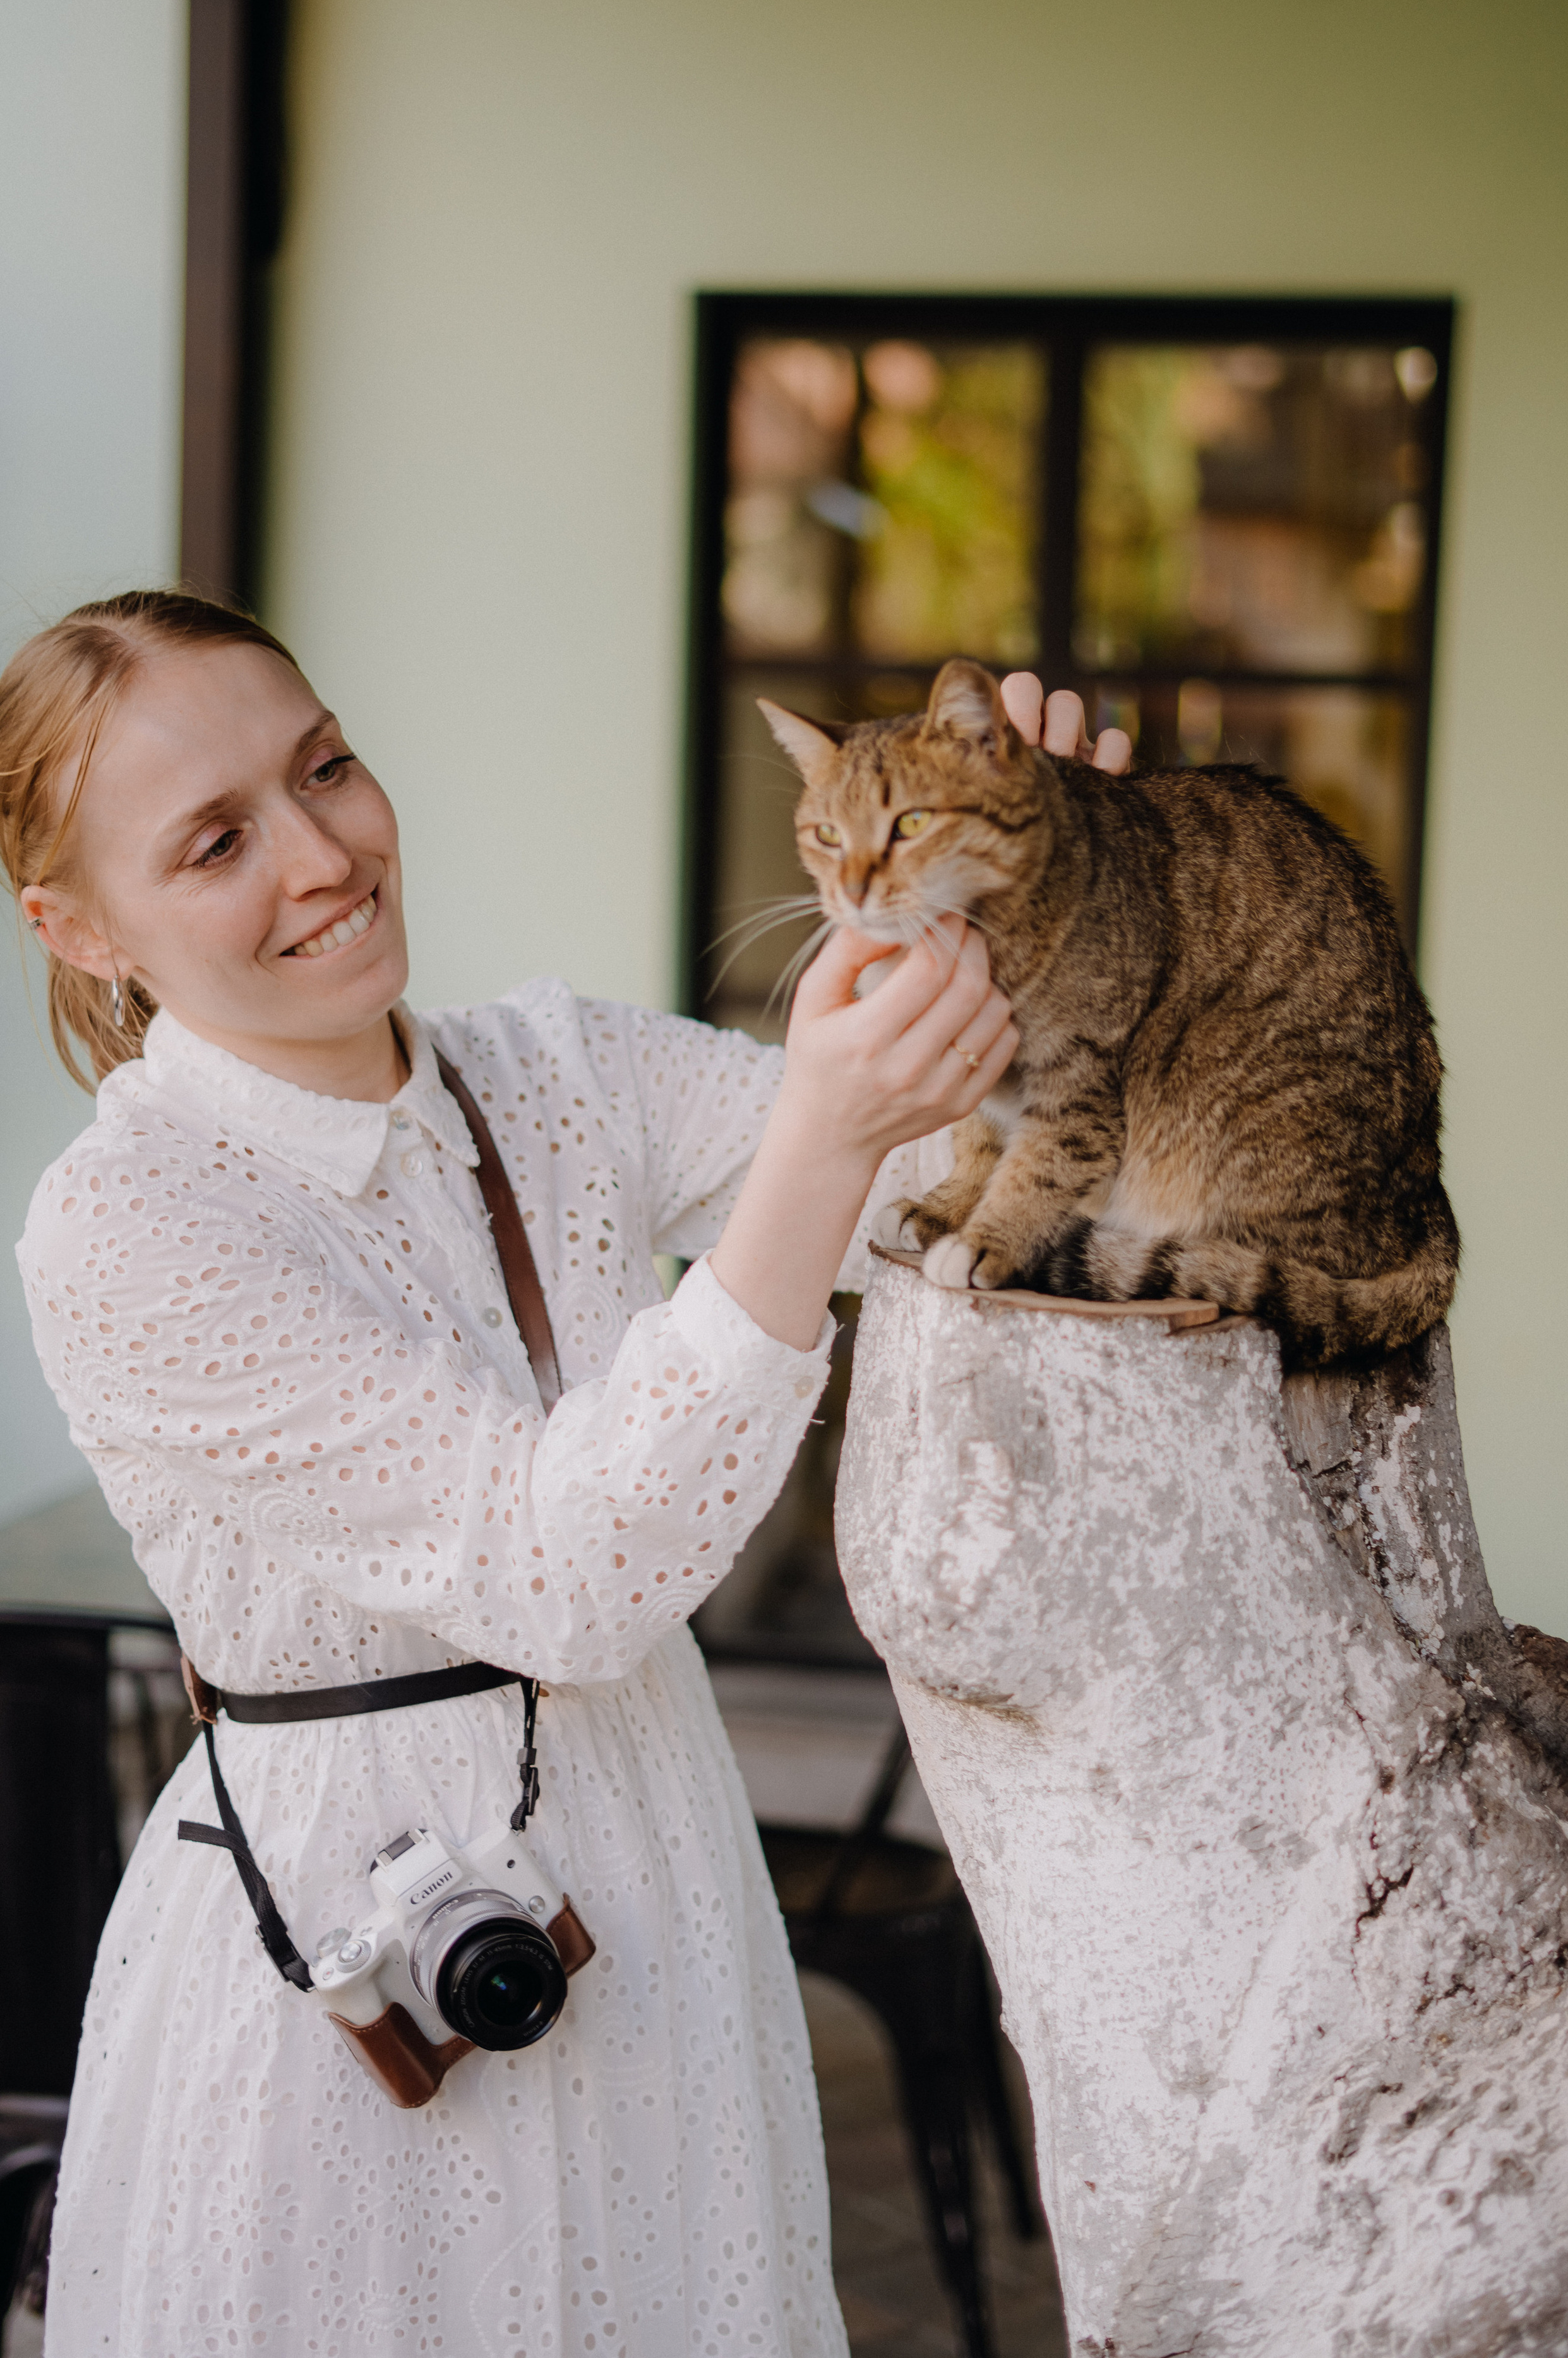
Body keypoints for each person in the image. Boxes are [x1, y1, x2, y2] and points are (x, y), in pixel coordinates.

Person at [1, 590, 1125, 2357]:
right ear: (78, 926)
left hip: (650, 1876)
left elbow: (939, 1185)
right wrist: (819, 1140)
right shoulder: (129, 1223)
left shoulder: (558, 1070)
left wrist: (1046, 904)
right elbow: (568, 1575)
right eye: (217, 840)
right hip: (350, 1970)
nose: (322, 856)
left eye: (329, 769)